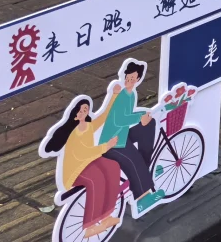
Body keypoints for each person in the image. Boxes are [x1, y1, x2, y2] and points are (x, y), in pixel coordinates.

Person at [42, 98, 123, 238]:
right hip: (75, 169)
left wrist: (114, 96)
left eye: (86, 109)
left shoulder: (89, 125)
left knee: (113, 166)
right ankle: (90, 225)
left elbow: (103, 116)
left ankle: (107, 215)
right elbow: (82, 153)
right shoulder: (74, 133)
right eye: (81, 110)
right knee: (96, 179)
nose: (84, 111)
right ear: (75, 115)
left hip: (90, 161)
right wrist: (106, 146)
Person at [98, 61, 163, 212]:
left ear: (138, 79)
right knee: (134, 159)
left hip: (123, 135)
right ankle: (142, 198)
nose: (130, 81)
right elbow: (119, 120)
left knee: (149, 125)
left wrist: (144, 115)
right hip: (112, 141)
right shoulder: (121, 95)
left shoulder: (131, 94)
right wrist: (139, 118)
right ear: (124, 76)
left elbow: (129, 115)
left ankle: (145, 171)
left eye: (133, 78)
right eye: (128, 77)